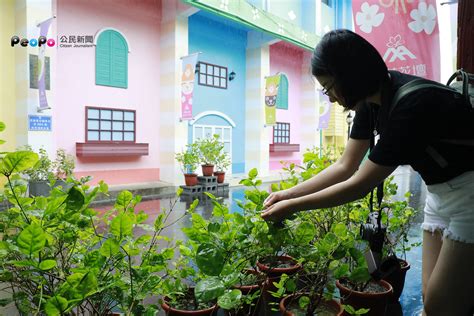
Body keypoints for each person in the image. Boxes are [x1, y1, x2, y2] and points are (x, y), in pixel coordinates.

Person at [261, 29, 474, 316]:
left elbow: (359, 183)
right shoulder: (371, 102)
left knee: (441, 306)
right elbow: (344, 166)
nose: (331, 98)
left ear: (350, 75)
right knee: (429, 296)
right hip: (438, 195)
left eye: (329, 87)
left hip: (469, 196)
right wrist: (287, 194)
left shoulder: (410, 105)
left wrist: (292, 207)